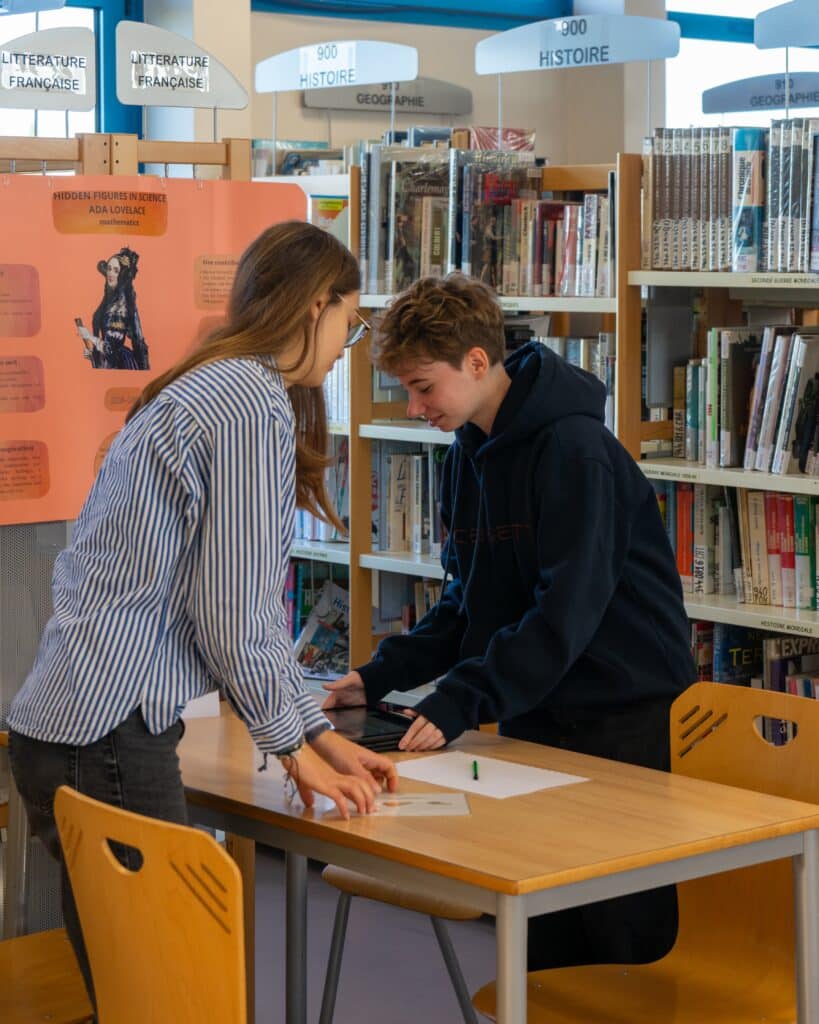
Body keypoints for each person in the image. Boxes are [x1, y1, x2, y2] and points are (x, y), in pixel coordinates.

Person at [9, 221, 396, 1010]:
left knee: (135, 993)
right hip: (109, 733)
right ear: (315, 305)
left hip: (69, 724)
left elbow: (237, 608)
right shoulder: (250, 402)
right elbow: (233, 612)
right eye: (350, 323)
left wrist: (317, 734)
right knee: (165, 998)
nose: (345, 346)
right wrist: (291, 748)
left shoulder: (210, 383)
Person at [323, 272, 697, 970]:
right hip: (538, 702)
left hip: (621, 707)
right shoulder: (468, 451)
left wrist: (462, 698)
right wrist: (377, 678)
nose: (414, 407)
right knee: (539, 918)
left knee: (620, 931)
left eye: (423, 387)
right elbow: (466, 601)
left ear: (475, 362)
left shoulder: (577, 452)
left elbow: (565, 611)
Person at [77, 247, 150, 370]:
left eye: (116, 271)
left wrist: (89, 337)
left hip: (120, 364)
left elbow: (111, 348)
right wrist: (92, 354)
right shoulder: (108, 300)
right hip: (106, 363)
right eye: (109, 269)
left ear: (121, 276)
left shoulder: (121, 306)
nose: (110, 273)